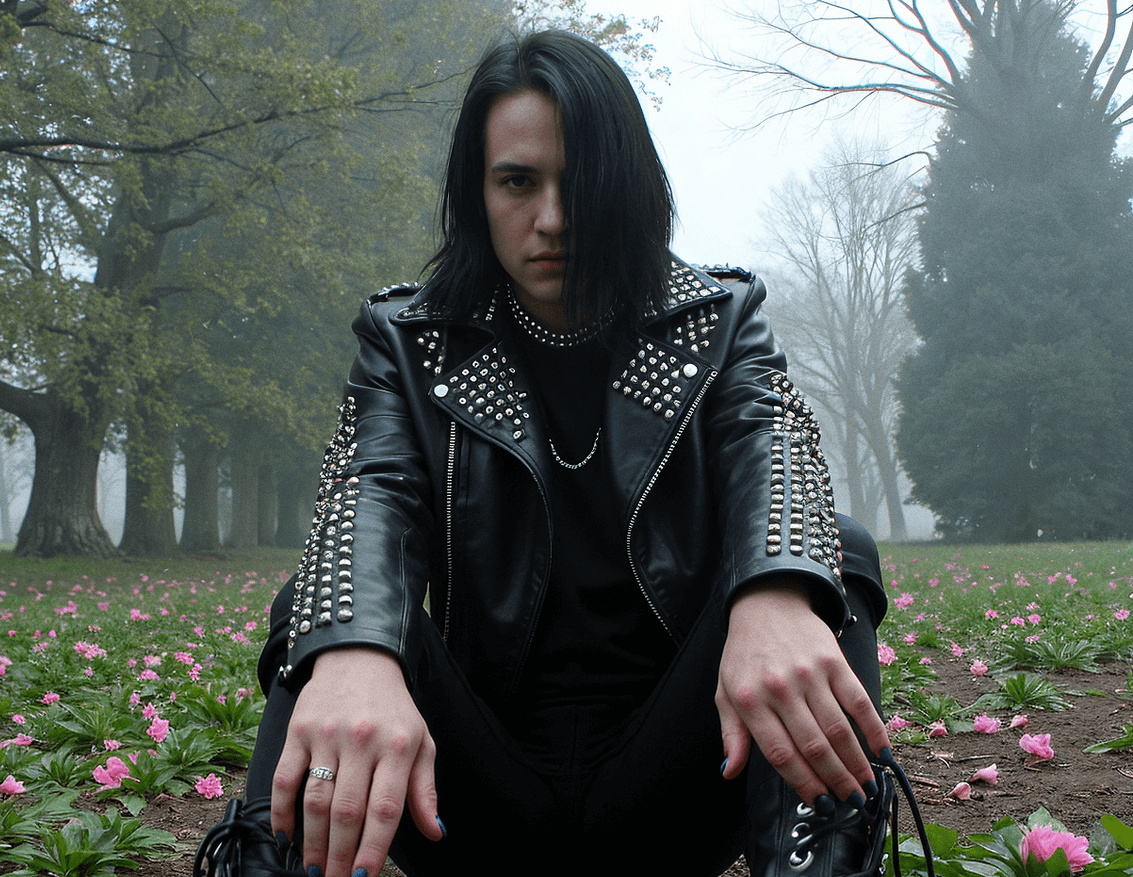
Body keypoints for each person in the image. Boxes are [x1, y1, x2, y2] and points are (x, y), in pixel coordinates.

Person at [196, 29, 906, 877]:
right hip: (466, 802)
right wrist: (354, 654)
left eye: (581, 182)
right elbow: (368, 490)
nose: (553, 219)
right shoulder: (409, 339)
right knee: (321, 606)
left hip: (679, 786)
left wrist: (775, 596)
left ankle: (816, 867)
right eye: (517, 182)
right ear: (477, 191)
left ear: (629, 186)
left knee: (833, 555)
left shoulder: (715, 319)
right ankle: (265, 866)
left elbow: (771, 442)